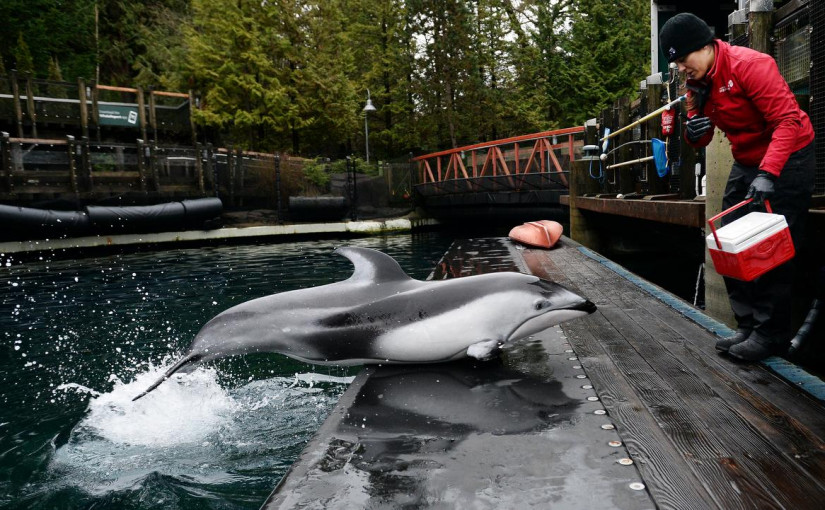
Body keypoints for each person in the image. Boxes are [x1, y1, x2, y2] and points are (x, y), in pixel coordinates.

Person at [659, 13, 816, 361]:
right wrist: (692, 132)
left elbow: (788, 121)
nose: (681, 68)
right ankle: (746, 324)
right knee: (726, 238)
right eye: (676, 63)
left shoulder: (750, 65)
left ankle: (771, 334)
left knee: (768, 246)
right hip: (747, 159)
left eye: (683, 59)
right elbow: (699, 137)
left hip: (789, 156)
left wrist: (769, 174)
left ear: (705, 46)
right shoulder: (696, 84)